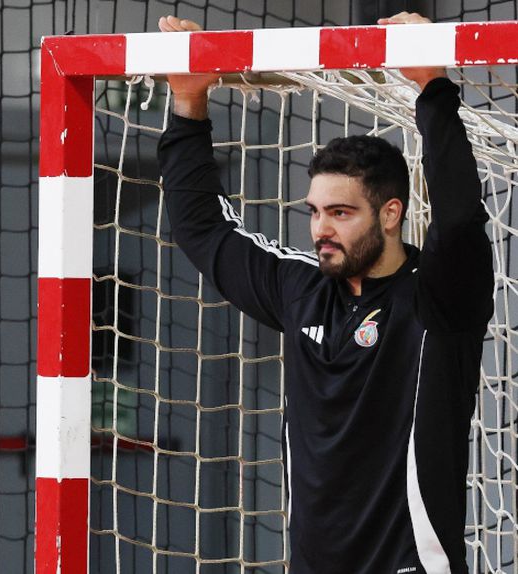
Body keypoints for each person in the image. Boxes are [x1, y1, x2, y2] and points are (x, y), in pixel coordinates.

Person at [156, 12, 493, 574]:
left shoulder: (439, 297)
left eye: (340, 213)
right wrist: (190, 102)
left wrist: (431, 84)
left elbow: (457, 219)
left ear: (391, 214)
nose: (320, 230)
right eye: (314, 213)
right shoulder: (302, 287)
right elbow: (203, 228)